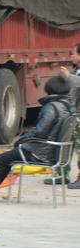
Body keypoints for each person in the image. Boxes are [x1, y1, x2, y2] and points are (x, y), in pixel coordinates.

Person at [0, 76, 73, 199]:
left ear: (50, 89)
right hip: (53, 153)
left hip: (39, 152)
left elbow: (40, 132)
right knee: (7, 158)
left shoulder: (52, 107)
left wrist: (21, 140)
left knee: (0, 160)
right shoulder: (67, 107)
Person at [49, 43, 80, 188]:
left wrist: (69, 78)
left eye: (73, 53)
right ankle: (62, 174)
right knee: (64, 144)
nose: (71, 56)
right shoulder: (76, 70)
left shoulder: (74, 74)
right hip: (72, 113)